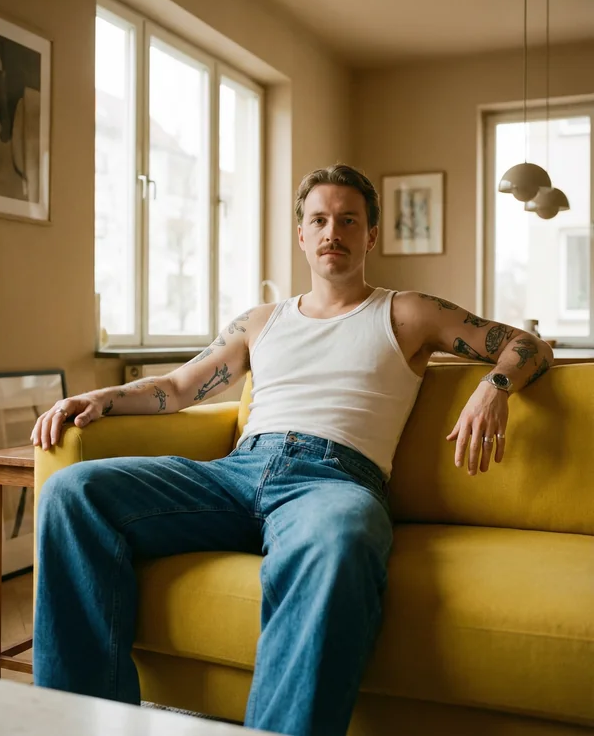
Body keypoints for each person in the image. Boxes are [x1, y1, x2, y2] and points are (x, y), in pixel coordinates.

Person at [31, 164, 554, 736]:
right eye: (320, 219)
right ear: (302, 234)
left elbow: (526, 344)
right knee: (72, 491)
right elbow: (180, 388)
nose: (334, 231)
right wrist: (102, 396)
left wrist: (494, 386)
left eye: (349, 220)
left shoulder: (406, 311)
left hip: (333, 483)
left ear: (370, 235)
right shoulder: (260, 321)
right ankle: (76, 723)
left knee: (341, 536)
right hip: (235, 474)